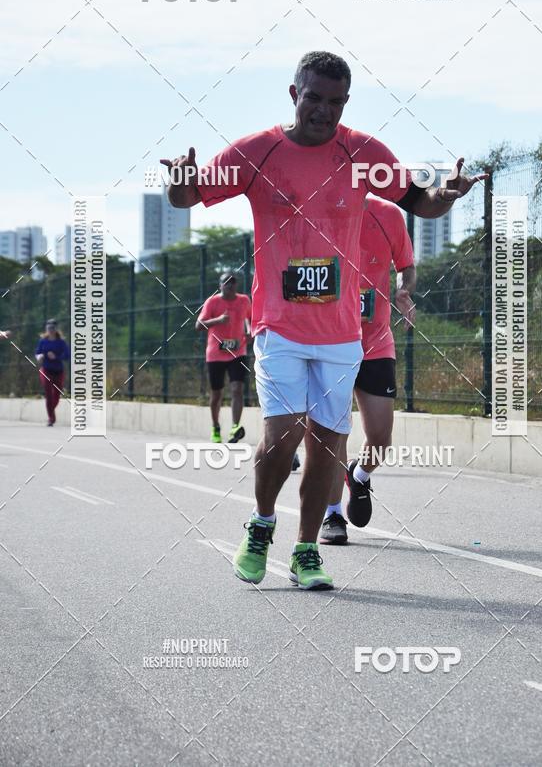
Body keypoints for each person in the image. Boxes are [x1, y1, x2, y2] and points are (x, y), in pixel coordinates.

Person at [161, 50, 484, 590]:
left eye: (335, 102)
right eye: (314, 98)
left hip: (342, 334)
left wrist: (445, 197)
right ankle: (262, 524)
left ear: (345, 103)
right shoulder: (256, 152)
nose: (324, 111)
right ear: (294, 94)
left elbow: (419, 201)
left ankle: (306, 550)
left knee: (328, 447)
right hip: (279, 326)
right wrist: (179, 181)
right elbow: (187, 196)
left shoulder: (362, 153)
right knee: (282, 437)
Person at [319, 196, 415, 544]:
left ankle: (358, 476)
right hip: (330, 342)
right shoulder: (320, 210)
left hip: (376, 342)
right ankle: (332, 514)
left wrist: (404, 290)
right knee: (334, 430)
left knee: (380, 438)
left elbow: (406, 264)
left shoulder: (388, 214)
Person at [197, 272, 252, 443]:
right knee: (217, 394)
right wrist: (218, 320)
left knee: (237, 389)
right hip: (216, 354)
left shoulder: (244, 300)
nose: (230, 285)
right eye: (226, 282)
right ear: (220, 285)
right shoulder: (212, 302)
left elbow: (251, 319)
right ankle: (216, 427)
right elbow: (199, 325)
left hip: (238, 351)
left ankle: (235, 427)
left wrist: (250, 331)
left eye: (233, 282)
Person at [34, 319, 70, 426]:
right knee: (49, 395)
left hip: (58, 371)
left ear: (56, 329)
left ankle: (51, 410)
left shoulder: (61, 342)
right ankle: (51, 418)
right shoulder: (43, 341)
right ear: (46, 329)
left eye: (52, 328)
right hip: (46, 370)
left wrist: (56, 357)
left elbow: (67, 355)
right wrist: (39, 357)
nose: (50, 330)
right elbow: (37, 353)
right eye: (48, 328)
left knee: (56, 396)